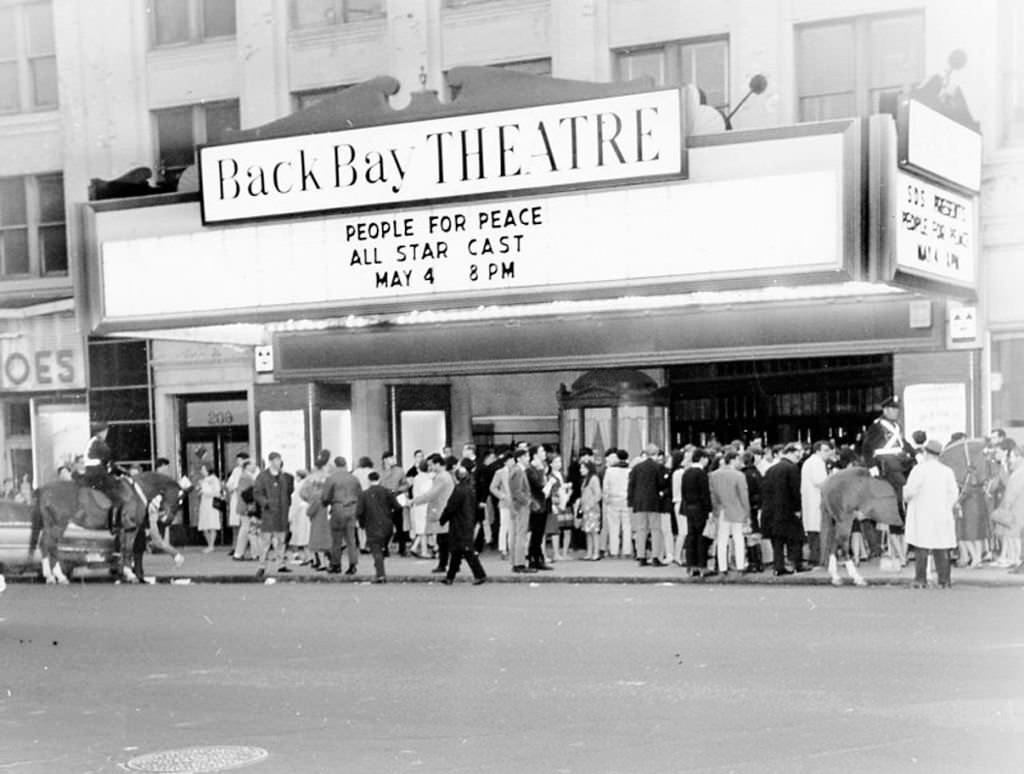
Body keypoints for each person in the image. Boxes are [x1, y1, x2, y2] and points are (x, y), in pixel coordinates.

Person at [861, 396, 915, 562]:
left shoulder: (897, 426)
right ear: (885, 410)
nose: (896, 412)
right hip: (886, 463)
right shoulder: (877, 426)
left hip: (900, 461)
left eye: (897, 409)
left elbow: (902, 443)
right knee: (900, 488)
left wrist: (915, 453)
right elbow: (867, 446)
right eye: (893, 409)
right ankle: (899, 513)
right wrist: (872, 466)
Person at [904, 439, 960, 588]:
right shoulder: (947, 471)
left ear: (926, 453)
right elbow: (954, 493)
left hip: (922, 514)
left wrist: (906, 496)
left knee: (921, 547)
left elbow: (909, 492)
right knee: (941, 547)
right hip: (942, 514)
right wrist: (946, 507)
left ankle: (920, 580)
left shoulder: (919, 470)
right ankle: (944, 580)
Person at [761, 443, 810, 576]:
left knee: (777, 540)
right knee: (795, 538)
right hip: (787, 510)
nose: (799, 457)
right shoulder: (791, 468)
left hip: (771, 510)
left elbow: (764, 490)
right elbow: (795, 490)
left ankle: (779, 567)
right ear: (790, 453)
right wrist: (797, 509)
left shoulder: (771, 470)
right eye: (797, 453)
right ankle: (795, 564)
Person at [440, 458, 487, 585]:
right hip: (467, 522)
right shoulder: (470, 489)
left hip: (459, 524)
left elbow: (451, 507)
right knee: (457, 551)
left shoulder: (459, 490)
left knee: (466, 551)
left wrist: (442, 519)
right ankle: (450, 577)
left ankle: (480, 574)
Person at [409, 453, 455, 574]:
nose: (429, 468)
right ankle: (447, 563)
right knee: (443, 539)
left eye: (431, 465)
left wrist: (414, 501)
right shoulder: (445, 476)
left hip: (440, 509)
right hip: (443, 509)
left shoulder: (441, 477)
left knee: (443, 540)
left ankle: (444, 564)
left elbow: (432, 494)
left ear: (438, 464)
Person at [252, 452, 294, 580]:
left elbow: (288, 493)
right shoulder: (263, 477)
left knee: (281, 540)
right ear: (270, 461)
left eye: (279, 460)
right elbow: (257, 493)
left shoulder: (284, 477)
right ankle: (262, 565)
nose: (278, 462)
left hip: (282, 513)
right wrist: (265, 503)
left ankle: (281, 564)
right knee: (266, 542)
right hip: (269, 513)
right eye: (276, 460)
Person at [357, 471, 402, 583]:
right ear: (379, 479)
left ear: (368, 480)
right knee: (381, 548)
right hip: (387, 524)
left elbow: (359, 511)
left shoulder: (364, 494)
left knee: (376, 550)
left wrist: (362, 524)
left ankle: (380, 575)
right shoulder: (387, 492)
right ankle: (382, 557)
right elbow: (398, 507)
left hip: (372, 525)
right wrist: (390, 515)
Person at [709, 450, 750, 574]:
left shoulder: (713, 475)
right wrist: (747, 514)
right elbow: (743, 496)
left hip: (721, 510)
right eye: (738, 459)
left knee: (722, 540)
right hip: (737, 510)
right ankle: (740, 566)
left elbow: (713, 496)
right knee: (738, 539)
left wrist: (715, 510)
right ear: (733, 459)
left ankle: (722, 568)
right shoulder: (739, 476)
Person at [322, 456, 362, 575]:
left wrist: (327, 503)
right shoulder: (354, 478)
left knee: (336, 539)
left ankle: (336, 564)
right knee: (351, 539)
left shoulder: (331, 478)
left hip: (338, 508)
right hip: (352, 508)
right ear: (345, 465)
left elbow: (325, 497)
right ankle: (352, 564)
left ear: (335, 465)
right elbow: (360, 494)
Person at [628, 444, 666, 567]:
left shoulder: (636, 468)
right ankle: (655, 557)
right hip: (653, 502)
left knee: (641, 530)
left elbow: (631, 485)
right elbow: (661, 484)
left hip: (639, 503)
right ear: (655, 454)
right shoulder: (658, 468)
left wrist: (631, 501)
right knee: (655, 529)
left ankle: (641, 556)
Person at [681, 449, 713, 577]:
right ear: (702, 458)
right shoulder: (701, 474)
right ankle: (702, 566)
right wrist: (709, 510)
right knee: (701, 538)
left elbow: (683, 492)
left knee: (691, 536)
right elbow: (705, 494)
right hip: (700, 509)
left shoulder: (686, 473)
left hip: (689, 508)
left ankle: (691, 565)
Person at [800, 441, 833, 567]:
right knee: (819, 531)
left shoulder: (809, 462)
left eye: (828, 450)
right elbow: (821, 482)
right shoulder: (817, 463)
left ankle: (816, 558)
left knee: (813, 531)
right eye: (825, 450)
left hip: (811, 501)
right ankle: (818, 559)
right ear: (817, 451)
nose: (828, 453)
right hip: (816, 501)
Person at [301, 450, 333, 571]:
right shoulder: (329, 477)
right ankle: (328, 560)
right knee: (328, 535)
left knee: (316, 535)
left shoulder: (310, 479)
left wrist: (310, 500)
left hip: (315, 508)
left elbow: (302, 493)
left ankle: (320, 561)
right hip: (327, 508)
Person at [525, 445, 553, 571]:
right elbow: (540, 487)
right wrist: (549, 482)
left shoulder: (541, 468)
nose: (544, 453)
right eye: (541, 451)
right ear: (535, 454)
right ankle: (533, 559)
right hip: (536, 505)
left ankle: (538, 559)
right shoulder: (531, 470)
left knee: (539, 534)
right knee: (536, 533)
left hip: (542, 504)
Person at [508, 447, 534, 573]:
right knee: (520, 534)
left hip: (517, 506)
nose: (528, 459)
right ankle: (519, 563)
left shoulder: (516, 470)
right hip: (520, 506)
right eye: (526, 456)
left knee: (516, 534)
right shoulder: (518, 471)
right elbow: (516, 491)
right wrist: (527, 501)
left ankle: (515, 561)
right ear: (519, 458)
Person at [602, 449, 632, 559]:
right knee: (627, 526)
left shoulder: (610, 471)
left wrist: (606, 499)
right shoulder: (630, 471)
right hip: (626, 500)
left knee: (613, 526)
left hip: (613, 500)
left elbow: (605, 487)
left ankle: (614, 551)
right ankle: (627, 551)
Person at [379, 450, 410, 556]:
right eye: (391, 458)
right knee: (386, 525)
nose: (394, 460)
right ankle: (384, 547)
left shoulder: (400, 471)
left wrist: (398, 489)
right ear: (385, 460)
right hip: (384, 500)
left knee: (399, 524)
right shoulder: (380, 472)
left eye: (394, 458)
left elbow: (406, 484)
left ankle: (402, 548)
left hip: (396, 498)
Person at [231, 459, 260, 562]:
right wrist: (250, 507)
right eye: (253, 465)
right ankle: (255, 554)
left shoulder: (246, 476)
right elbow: (246, 494)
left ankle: (239, 553)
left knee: (245, 530)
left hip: (244, 507)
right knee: (250, 529)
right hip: (246, 507)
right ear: (247, 466)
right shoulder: (246, 477)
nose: (255, 467)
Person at [489, 452, 514, 560]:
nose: (512, 462)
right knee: (504, 526)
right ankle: (503, 549)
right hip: (505, 503)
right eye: (510, 460)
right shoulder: (500, 472)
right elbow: (493, 487)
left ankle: (512, 548)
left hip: (516, 502)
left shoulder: (518, 470)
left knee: (513, 527)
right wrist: (502, 496)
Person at [224, 452, 250, 553]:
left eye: (239, 460)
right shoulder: (236, 470)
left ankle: (245, 547)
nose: (237, 462)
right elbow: (229, 484)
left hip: (245, 499)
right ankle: (234, 546)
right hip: (235, 498)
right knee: (235, 525)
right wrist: (232, 487)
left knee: (246, 524)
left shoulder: (250, 470)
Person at [409, 459, 434, 559]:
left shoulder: (416, 478)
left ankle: (415, 547)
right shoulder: (429, 478)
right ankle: (424, 552)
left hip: (417, 505)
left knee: (421, 529)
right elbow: (428, 492)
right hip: (425, 505)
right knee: (424, 530)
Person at [578, 460, 602, 560]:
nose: (581, 470)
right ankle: (589, 552)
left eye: (583, 468)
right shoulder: (586, 479)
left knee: (594, 531)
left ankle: (596, 552)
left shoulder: (594, 479)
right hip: (586, 509)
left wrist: (590, 505)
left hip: (592, 509)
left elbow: (598, 494)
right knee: (587, 531)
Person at [196, 462, 222, 553]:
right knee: (204, 525)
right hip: (204, 503)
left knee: (212, 525)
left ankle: (211, 545)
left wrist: (204, 492)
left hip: (211, 503)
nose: (202, 471)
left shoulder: (214, 479)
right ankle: (209, 544)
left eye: (203, 469)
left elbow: (217, 492)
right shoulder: (203, 480)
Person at [288, 469, 310, 564]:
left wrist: (290, 516)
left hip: (300, 513)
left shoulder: (299, 486)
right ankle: (308, 557)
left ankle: (307, 557)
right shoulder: (308, 485)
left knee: (301, 535)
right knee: (306, 535)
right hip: (307, 513)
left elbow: (296, 503)